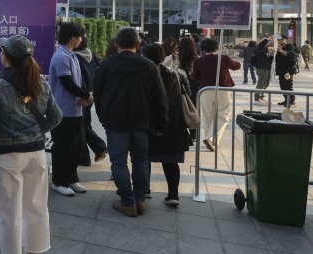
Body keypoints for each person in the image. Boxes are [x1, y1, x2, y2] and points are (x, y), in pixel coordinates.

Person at [0, 35, 61, 254]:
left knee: (9, 213)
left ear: (5, 55)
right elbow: (56, 117)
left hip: (7, 155)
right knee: (35, 207)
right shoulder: (41, 82)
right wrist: (37, 131)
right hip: (37, 154)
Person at [94, 27, 168, 217]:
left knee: (118, 162)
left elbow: (98, 94)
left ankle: (127, 201)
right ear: (138, 44)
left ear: (116, 44)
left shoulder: (107, 65)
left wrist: (103, 117)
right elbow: (160, 98)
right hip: (142, 122)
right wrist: (161, 124)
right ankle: (140, 200)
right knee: (141, 159)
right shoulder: (149, 66)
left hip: (115, 122)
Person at [142, 44, 190, 206]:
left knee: (143, 157)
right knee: (170, 161)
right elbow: (187, 94)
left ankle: (144, 188)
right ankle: (173, 194)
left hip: (149, 123)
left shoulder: (143, 74)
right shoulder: (175, 75)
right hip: (173, 123)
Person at [47, 21, 91, 196]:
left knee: (76, 146)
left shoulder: (71, 55)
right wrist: (86, 95)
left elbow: (78, 82)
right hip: (62, 111)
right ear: (73, 37)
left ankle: (71, 179)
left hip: (75, 110)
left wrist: (85, 94)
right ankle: (58, 181)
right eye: (80, 36)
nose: (81, 40)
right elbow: (67, 84)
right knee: (63, 147)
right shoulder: (61, 56)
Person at [192, 38, 241, 150]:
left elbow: (195, 77)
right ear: (217, 47)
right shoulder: (223, 58)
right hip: (222, 89)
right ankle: (211, 139)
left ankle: (212, 140)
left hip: (205, 90)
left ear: (203, 48)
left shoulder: (198, 61)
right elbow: (237, 66)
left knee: (207, 117)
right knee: (223, 116)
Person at [74, 37, 108, 162]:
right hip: (92, 93)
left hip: (82, 94)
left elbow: (79, 77)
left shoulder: (74, 57)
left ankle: (88, 154)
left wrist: (83, 94)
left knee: (80, 126)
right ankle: (96, 150)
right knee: (84, 124)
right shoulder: (91, 54)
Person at [274, 37, 298, 107]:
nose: (279, 41)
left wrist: (281, 51)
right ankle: (286, 99)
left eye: (281, 39)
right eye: (278, 40)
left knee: (288, 85)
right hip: (281, 70)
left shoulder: (290, 47)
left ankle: (291, 100)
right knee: (282, 86)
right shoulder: (280, 47)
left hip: (288, 70)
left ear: (285, 40)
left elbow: (291, 55)